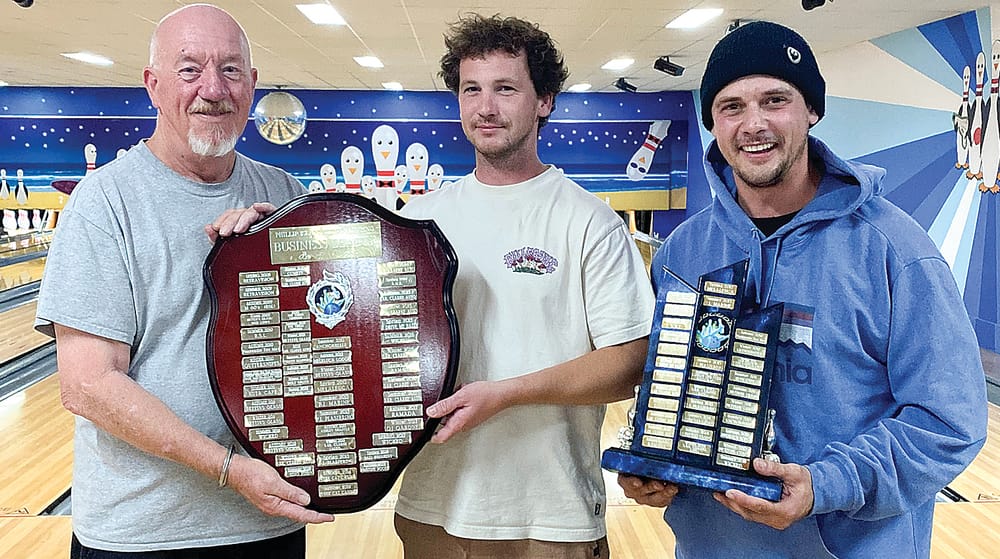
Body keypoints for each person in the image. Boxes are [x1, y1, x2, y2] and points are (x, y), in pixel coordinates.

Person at [618, 20, 989, 558]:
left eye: (775, 100)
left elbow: (948, 422)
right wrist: (653, 466)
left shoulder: (895, 250)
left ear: (810, 110)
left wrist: (827, 485)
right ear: (712, 123)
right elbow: (667, 387)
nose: (754, 124)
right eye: (731, 106)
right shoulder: (683, 254)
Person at [34, 4, 332, 557]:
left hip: (268, 522)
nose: (212, 89)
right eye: (189, 69)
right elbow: (88, 385)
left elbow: (331, 337)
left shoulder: (285, 190)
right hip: (140, 534)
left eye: (231, 70)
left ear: (252, 85)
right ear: (152, 85)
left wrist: (289, 251)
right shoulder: (105, 203)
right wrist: (227, 468)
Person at [391, 13, 655, 559]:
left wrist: (505, 395)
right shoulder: (418, 219)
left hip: (550, 516)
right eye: (471, 90)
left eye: (505, 89)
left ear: (544, 101)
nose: (486, 107)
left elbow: (630, 361)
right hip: (430, 506)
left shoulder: (588, 222)